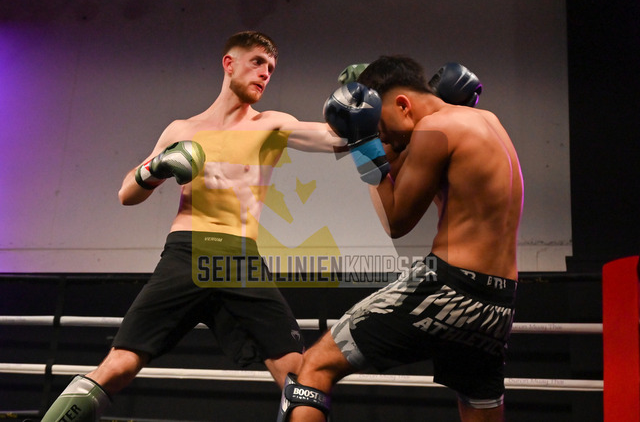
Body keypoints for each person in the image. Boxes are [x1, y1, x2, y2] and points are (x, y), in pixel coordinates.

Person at [39, 31, 375, 422]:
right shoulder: (181, 130)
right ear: (229, 63)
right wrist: (155, 168)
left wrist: (364, 99)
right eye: (257, 62)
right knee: (118, 364)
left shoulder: (271, 125)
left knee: (300, 375)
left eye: (270, 68)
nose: (265, 74)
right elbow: (126, 193)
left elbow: (339, 139)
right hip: (186, 253)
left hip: (239, 258)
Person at [277, 55, 523, 422]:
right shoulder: (486, 121)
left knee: (314, 366)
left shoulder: (434, 129)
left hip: (448, 289)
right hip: (498, 303)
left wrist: (363, 142)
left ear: (403, 105)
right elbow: (409, 169)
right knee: (479, 407)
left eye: (382, 127)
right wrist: (381, 142)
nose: (384, 138)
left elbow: (395, 220)